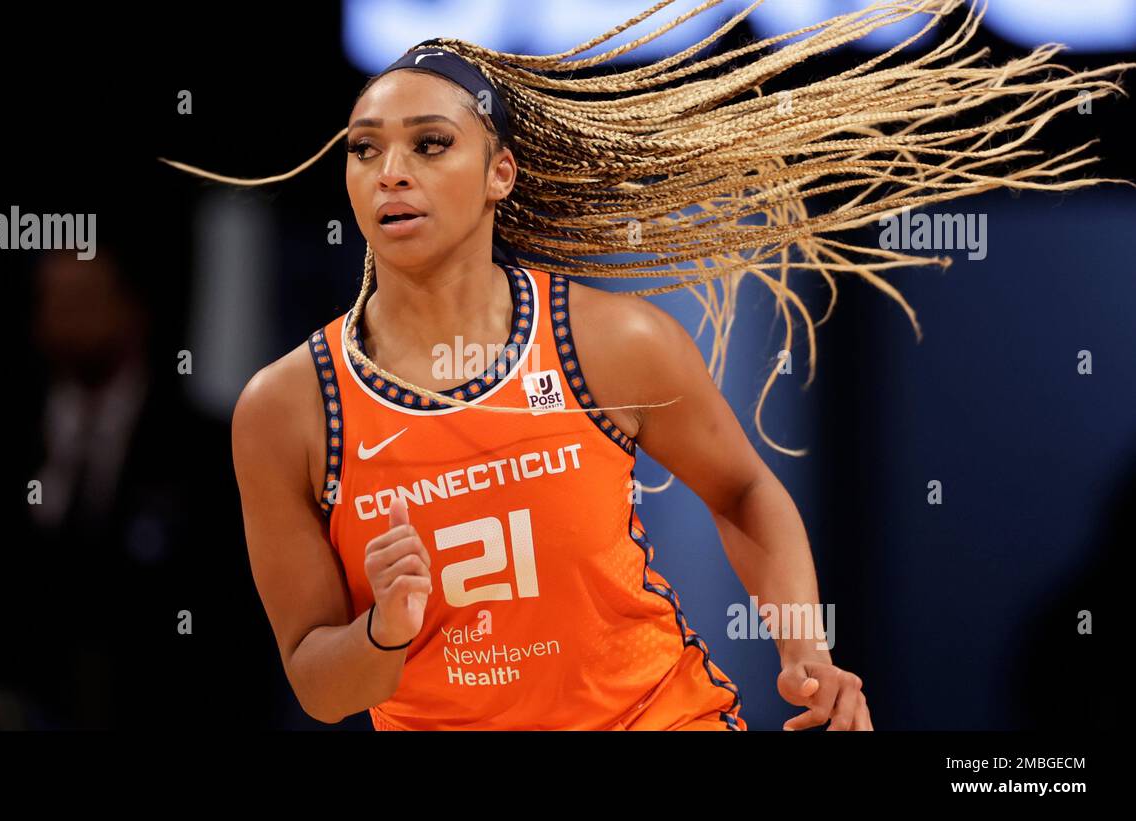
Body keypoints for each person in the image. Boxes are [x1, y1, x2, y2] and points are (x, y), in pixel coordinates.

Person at [169, 0, 1128, 729]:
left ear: (501, 172)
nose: (391, 173)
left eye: (430, 145)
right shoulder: (289, 406)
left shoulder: (604, 342)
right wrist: (386, 630)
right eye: (365, 150)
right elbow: (318, 682)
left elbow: (746, 489)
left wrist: (808, 656)